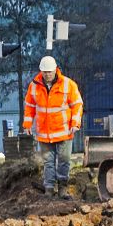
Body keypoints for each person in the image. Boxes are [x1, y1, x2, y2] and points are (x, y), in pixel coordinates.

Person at [22, 55, 83, 198]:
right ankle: (49, 189)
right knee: (48, 162)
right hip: (44, 133)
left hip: (64, 131)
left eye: (49, 71)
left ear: (55, 70)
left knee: (64, 160)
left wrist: (75, 123)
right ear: (40, 71)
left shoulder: (68, 84)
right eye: (44, 72)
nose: (47, 74)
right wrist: (27, 124)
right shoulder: (34, 86)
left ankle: (62, 188)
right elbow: (29, 106)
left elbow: (77, 105)